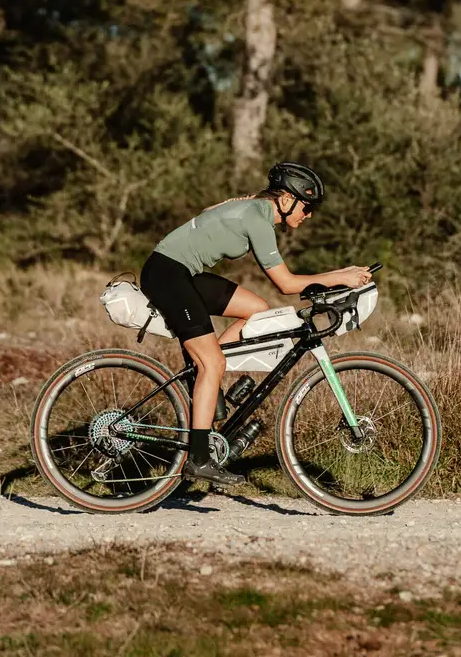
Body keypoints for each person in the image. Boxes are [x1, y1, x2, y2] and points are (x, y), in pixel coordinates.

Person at [140, 162, 372, 486]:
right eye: (307, 207)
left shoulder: (254, 208)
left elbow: (209, 213)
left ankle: (206, 378)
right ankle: (198, 459)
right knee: (212, 363)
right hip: (168, 275)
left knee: (256, 310)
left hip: (180, 272)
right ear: (287, 199)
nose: (309, 215)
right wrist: (340, 276)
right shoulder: (257, 218)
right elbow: (286, 284)